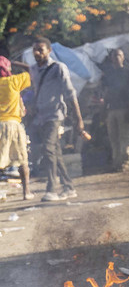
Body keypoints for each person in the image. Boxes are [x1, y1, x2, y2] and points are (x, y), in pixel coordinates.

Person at [28, 37, 85, 202]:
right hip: (41, 117)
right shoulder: (34, 69)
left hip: (55, 115)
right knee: (55, 152)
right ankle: (69, 187)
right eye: (35, 50)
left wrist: (79, 119)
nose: (37, 53)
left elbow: (70, 93)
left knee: (47, 148)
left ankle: (52, 189)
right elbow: (36, 88)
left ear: (49, 50)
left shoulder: (58, 68)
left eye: (41, 50)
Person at [0, 56, 33, 200]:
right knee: (22, 160)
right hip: (13, 124)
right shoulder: (13, 81)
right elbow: (32, 71)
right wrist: (14, 62)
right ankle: (26, 192)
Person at [100, 48, 129, 172]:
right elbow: (105, 93)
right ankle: (116, 163)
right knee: (113, 137)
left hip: (123, 108)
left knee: (124, 137)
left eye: (119, 55)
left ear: (123, 57)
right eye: (114, 56)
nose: (117, 58)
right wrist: (103, 110)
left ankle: (125, 163)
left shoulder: (128, 73)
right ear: (111, 58)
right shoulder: (108, 74)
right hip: (111, 109)